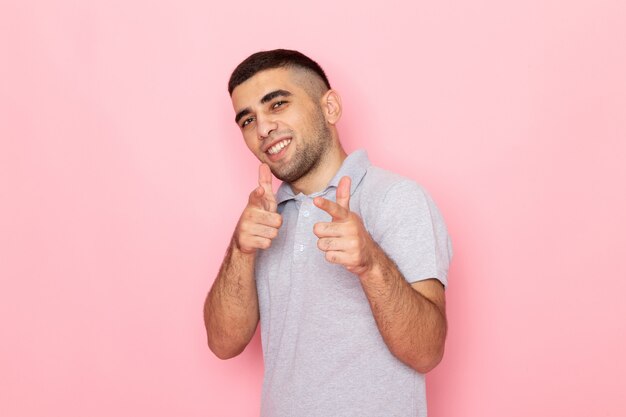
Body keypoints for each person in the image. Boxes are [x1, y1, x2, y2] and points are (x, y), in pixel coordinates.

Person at [203, 49, 452, 417]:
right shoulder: (263, 218)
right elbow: (223, 344)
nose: (263, 128)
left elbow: (427, 351)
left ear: (330, 107)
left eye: (277, 105)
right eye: (247, 120)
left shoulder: (397, 198)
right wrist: (240, 250)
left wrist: (371, 264)